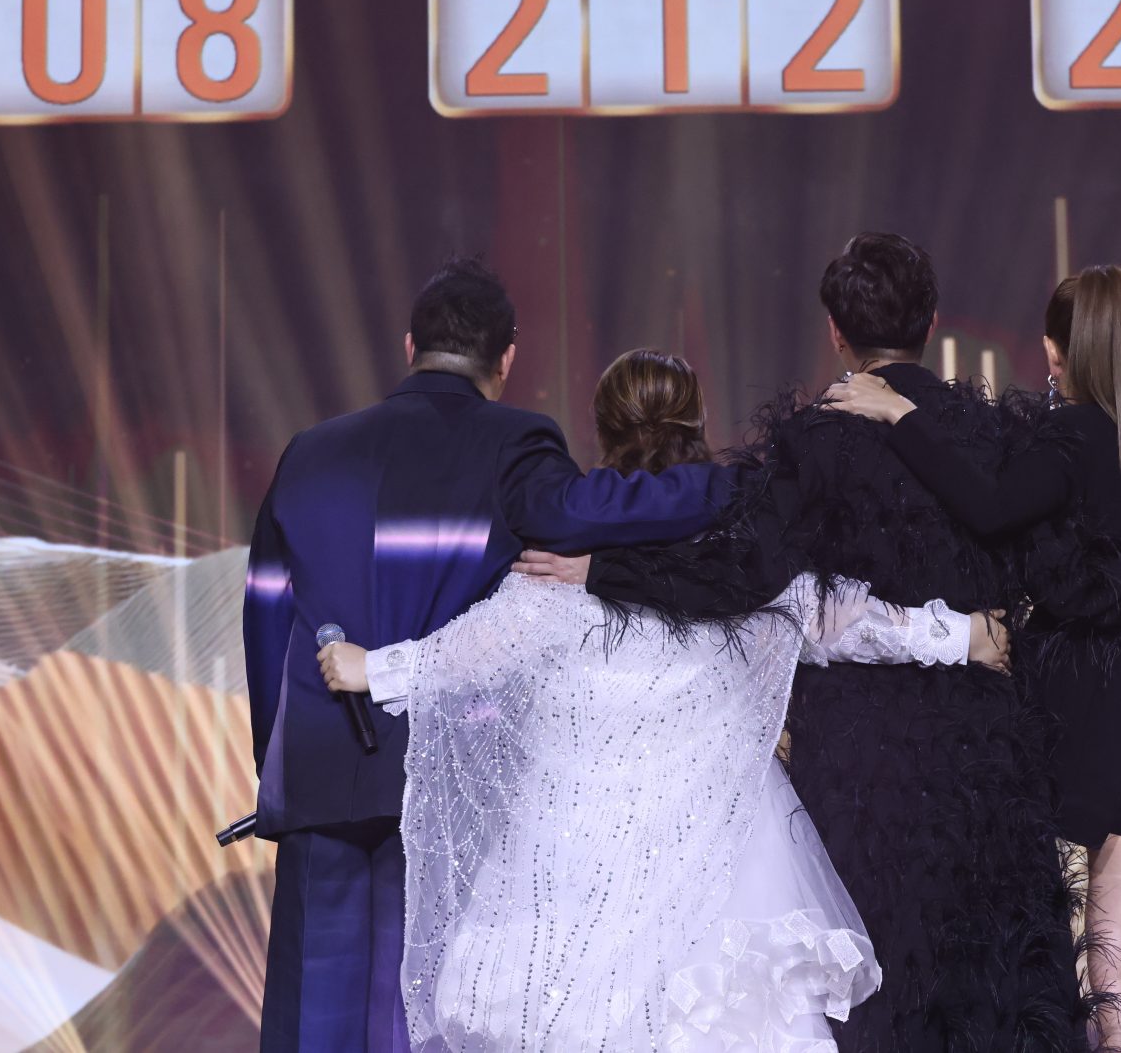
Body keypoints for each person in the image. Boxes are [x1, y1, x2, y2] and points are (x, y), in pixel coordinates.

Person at [524, 235, 1121, 1052]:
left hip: (859, 775)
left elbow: (738, 572)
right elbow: (1059, 567)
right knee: (995, 1003)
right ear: (931, 322)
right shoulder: (999, 440)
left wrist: (603, 570)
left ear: (835, 332)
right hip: (986, 768)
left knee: (873, 1004)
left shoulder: (814, 441)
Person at [319, 349, 1007, 1050]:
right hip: (723, 850)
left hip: (573, 845)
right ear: (699, 422)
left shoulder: (562, 553)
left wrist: (372, 668)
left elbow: (476, 648)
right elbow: (831, 615)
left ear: (601, 428)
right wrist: (961, 635)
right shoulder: (737, 544)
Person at [241, 260, 734, 1053]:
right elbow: (600, 511)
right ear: (506, 359)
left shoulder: (308, 454)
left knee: (312, 1027)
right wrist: (736, 486)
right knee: (426, 1019)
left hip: (320, 776)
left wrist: (277, 765)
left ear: (410, 346)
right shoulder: (517, 444)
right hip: (451, 781)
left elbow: (266, 615)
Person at [825, 265, 1121, 1053]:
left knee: (1038, 951)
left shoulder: (1062, 440)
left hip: (1076, 708)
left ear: (1053, 351)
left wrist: (902, 412)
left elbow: (991, 507)